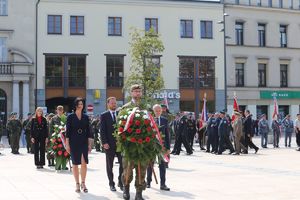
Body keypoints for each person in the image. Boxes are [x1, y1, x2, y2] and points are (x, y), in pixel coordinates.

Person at [121, 84, 148, 200]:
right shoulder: (125, 107)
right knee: (127, 169)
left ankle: (139, 193)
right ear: (131, 93)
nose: (137, 93)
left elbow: (151, 125)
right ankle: (126, 189)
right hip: (129, 144)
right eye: (135, 91)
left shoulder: (146, 107)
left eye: (139, 91)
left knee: (142, 169)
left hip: (143, 144)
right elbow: (120, 126)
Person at [66, 97, 94, 193]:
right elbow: (68, 132)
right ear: (75, 105)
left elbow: (90, 132)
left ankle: (83, 183)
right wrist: (67, 144)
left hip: (83, 141)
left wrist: (90, 144)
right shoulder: (70, 117)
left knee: (84, 163)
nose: (80, 106)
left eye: (82, 104)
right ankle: (77, 183)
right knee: (74, 163)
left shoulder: (86, 117)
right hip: (73, 142)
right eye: (78, 104)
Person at [100, 97, 123, 192]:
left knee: (123, 164)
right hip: (109, 144)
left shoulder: (120, 114)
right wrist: (104, 142)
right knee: (110, 165)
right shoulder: (104, 115)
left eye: (115, 103)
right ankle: (111, 183)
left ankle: (120, 182)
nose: (114, 105)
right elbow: (102, 130)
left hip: (120, 144)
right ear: (108, 104)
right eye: (112, 103)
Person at [146, 104, 170, 191]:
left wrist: (168, 148)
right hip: (151, 146)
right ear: (153, 111)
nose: (158, 112)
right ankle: (148, 182)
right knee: (150, 164)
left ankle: (163, 184)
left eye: (159, 110)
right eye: (156, 111)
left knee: (162, 165)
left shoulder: (164, 120)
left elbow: (167, 134)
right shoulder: (149, 120)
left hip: (162, 146)